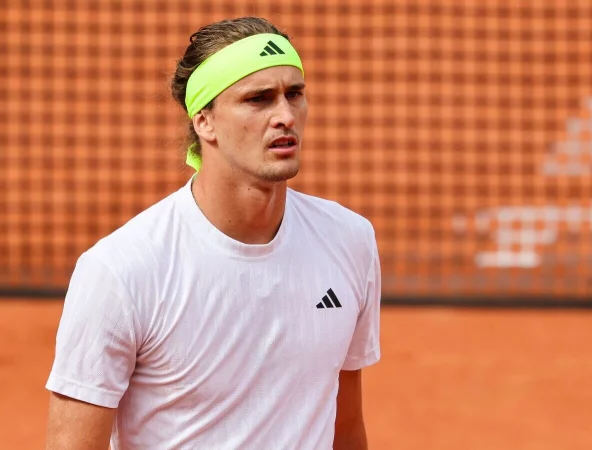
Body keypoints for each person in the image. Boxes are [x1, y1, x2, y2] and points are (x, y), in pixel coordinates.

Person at [44, 16, 381, 450]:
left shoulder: (349, 241)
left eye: (294, 94)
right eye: (258, 99)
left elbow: (346, 429)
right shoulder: (121, 271)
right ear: (204, 121)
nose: (285, 116)